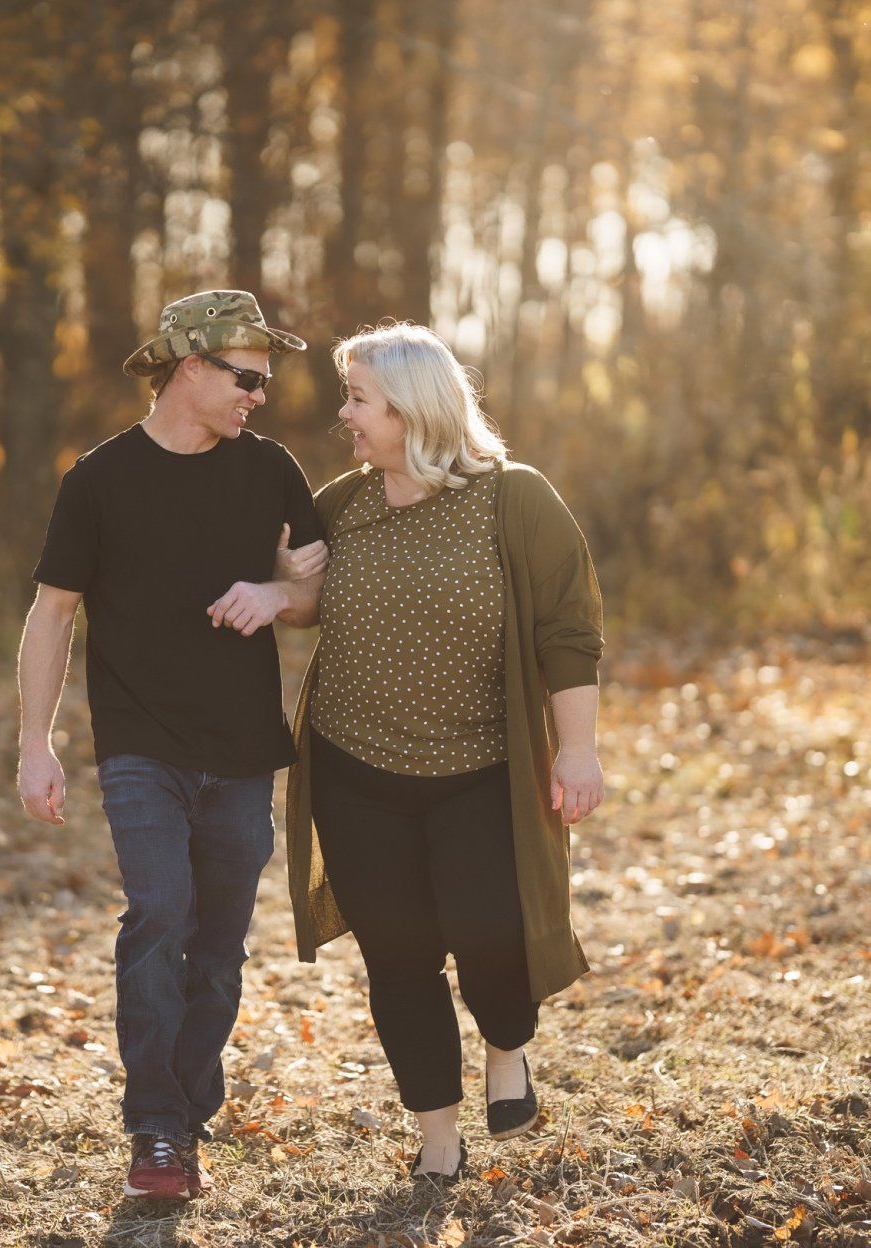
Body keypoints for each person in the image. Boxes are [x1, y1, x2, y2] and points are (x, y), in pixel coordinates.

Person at [16, 290, 330, 1201]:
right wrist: (35, 744)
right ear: (188, 367)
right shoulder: (99, 480)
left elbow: (318, 591)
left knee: (220, 945)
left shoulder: (270, 471)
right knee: (158, 915)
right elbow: (51, 614)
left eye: (264, 382)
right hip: (138, 745)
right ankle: (156, 1127)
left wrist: (275, 597)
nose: (258, 397)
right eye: (245, 378)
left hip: (240, 751)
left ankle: (184, 1112)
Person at [282, 322, 605, 1184]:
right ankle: (436, 1140)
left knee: (492, 936)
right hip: (356, 773)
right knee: (398, 958)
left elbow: (568, 633)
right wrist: (278, 582)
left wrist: (577, 751)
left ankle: (507, 1045)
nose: (343, 415)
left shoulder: (515, 500)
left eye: (358, 399)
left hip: (480, 772)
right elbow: (303, 603)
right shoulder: (343, 503)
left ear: (413, 410)